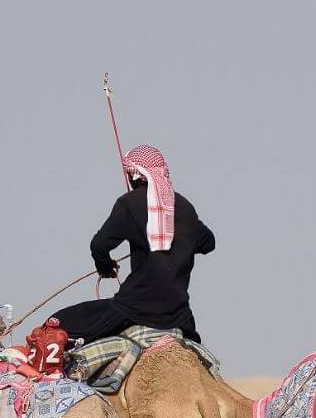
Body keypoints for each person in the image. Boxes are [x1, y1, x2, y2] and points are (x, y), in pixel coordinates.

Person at [47, 145, 214, 344]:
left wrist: (106, 267)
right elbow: (208, 243)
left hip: (133, 310)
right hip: (180, 316)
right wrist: (180, 241)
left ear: (133, 176)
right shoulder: (185, 207)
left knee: (56, 324)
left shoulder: (129, 203)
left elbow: (99, 246)